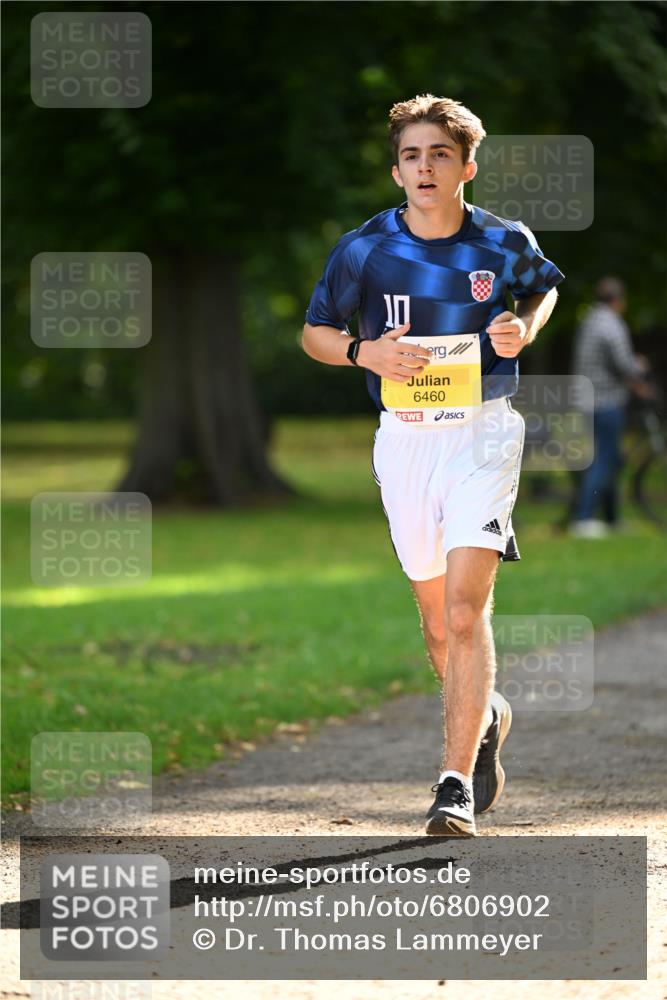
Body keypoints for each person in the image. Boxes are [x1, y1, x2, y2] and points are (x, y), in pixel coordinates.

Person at [301, 94, 564, 836]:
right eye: (412, 155)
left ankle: (451, 785)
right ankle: (484, 714)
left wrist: (520, 328)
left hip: (482, 433)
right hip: (405, 437)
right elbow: (315, 332)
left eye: (438, 155)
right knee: (433, 619)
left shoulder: (501, 240)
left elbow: (539, 288)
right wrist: (363, 351)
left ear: (465, 168)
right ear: (396, 170)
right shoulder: (363, 249)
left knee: (462, 606)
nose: (424, 166)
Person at [571, 277, 649, 537]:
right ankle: (583, 519)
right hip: (604, 401)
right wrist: (640, 366)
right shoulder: (611, 324)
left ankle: (612, 519)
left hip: (586, 399)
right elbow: (624, 364)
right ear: (618, 301)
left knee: (609, 459)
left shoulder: (590, 320)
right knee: (604, 460)